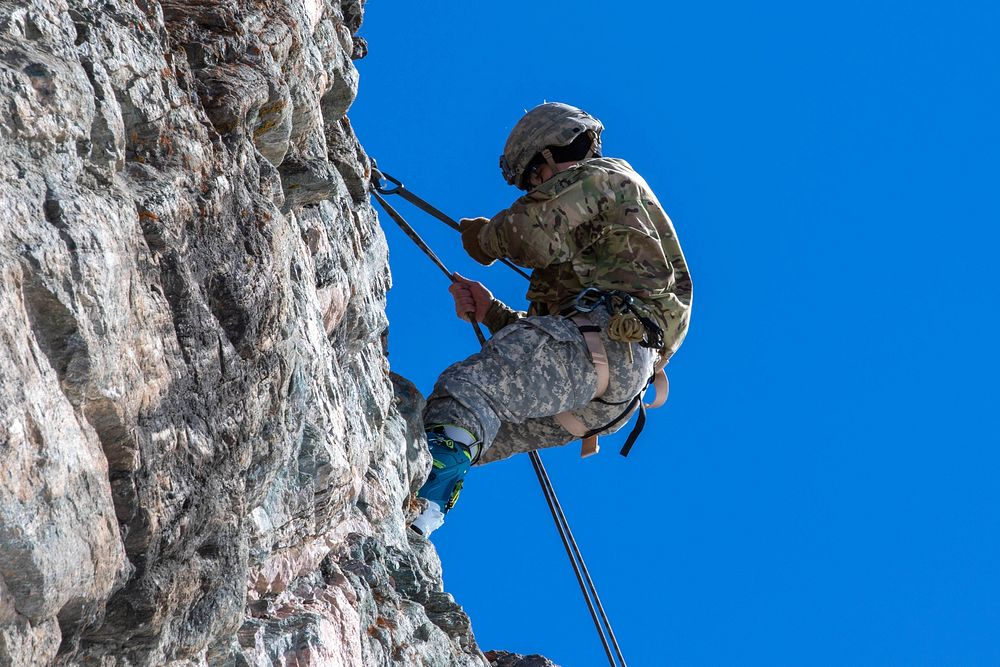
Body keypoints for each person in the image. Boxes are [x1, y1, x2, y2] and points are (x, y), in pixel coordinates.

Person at [410, 102, 693, 537]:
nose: (534, 190)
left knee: (468, 390)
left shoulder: (604, 177)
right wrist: (493, 313)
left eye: (534, 179)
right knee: (463, 429)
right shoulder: (600, 233)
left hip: (606, 347)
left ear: (549, 155)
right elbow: (552, 342)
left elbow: (531, 233)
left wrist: (486, 239)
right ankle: (418, 507)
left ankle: (422, 492)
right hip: (609, 391)